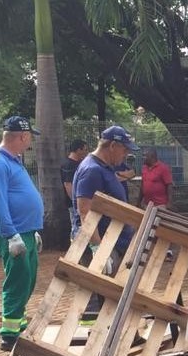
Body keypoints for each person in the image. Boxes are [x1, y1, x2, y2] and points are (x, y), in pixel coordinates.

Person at [0, 116, 44, 351]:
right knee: (17, 281)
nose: (29, 143)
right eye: (29, 138)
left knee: (27, 280)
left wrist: (31, 231)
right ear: (22, 136)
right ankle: (9, 334)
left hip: (25, 231)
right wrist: (11, 235)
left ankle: (18, 324)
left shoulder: (13, 160)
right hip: (13, 233)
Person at [75, 126, 141, 322]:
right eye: (125, 149)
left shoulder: (105, 168)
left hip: (116, 242)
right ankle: (100, 345)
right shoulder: (92, 170)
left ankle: (120, 338)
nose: (126, 154)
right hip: (104, 243)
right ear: (112, 145)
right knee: (103, 303)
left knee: (117, 299)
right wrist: (98, 248)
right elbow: (84, 211)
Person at [61, 140, 89, 240]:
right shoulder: (69, 165)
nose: (86, 152)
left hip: (79, 202)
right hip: (74, 203)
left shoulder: (78, 163)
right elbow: (68, 185)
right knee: (76, 225)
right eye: (84, 150)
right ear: (78, 150)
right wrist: (75, 202)